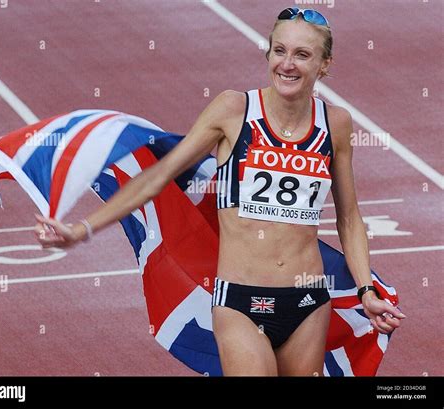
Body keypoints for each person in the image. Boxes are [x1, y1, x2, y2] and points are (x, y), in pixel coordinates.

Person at [34, 7, 405, 376]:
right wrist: (81, 229)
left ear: (324, 64)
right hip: (240, 302)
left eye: (302, 55)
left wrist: (365, 290)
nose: (287, 64)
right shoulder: (234, 110)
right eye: (279, 51)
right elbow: (160, 174)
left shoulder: (335, 124)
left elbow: (349, 217)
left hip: (308, 303)